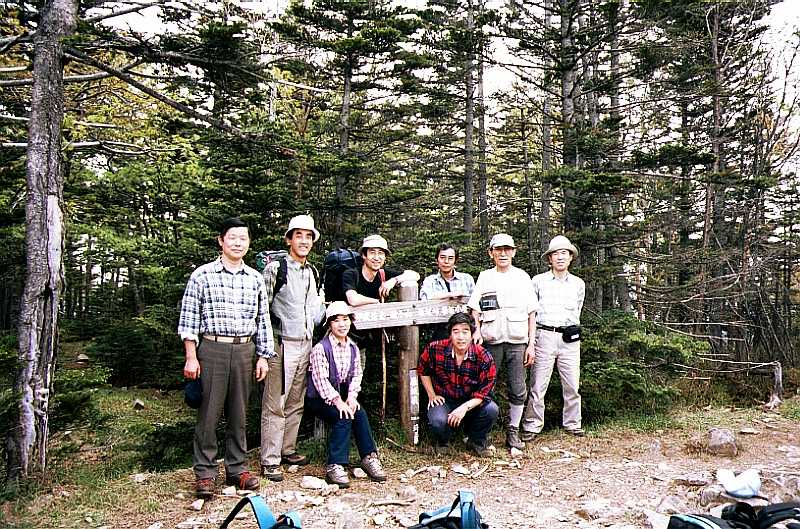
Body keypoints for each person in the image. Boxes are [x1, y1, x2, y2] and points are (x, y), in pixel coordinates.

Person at [178, 217, 274, 498]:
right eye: (232, 237)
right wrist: (191, 356)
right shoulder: (202, 275)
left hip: (244, 350)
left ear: (248, 242)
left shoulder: (255, 278)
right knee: (209, 413)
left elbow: (263, 320)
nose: (238, 243)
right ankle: (205, 473)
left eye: (243, 238)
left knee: (239, 413)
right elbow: (189, 319)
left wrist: (263, 356)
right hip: (212, 349)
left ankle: (237, 468)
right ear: (221, 240)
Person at [260, 215, 326, 482]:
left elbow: (314, 310)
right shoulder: (276, 269)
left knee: (296, 400)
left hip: (305, 343)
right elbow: (262, 309)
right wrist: (265, 347)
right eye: (299, 235)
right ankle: (270, 459)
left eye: (309, 236)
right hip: (282, 343)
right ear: (289, 239)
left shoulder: (312, 272)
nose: (304, 241)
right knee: (275, 402)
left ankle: (287, 449)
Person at [467, 233, 538, 451]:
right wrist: (476, 331)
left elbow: (532, 313)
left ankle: (513, 431)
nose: (503, 253)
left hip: (518, 342)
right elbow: (475, 308)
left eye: (507, 249)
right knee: (486, 387)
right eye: (498, 249)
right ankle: (483, 432)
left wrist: (531, 344)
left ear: (514, 252)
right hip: (491, 342)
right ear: (491, 253)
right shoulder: (485, 277)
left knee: (518, 388)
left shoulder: (522, 277)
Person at [306, 301, 387, 487]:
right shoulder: (321, 348)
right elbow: (320, 381)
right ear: (329, 324)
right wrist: (337, 401)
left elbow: (357, 374)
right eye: (336, 321)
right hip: (320, 397)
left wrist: (351, 397)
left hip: (343, 394)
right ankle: (335, 465)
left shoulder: (353, 347)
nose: (342, 325)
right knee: (343, 416)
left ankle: (369, 457)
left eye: (345, 319)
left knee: (359, 412)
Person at [521, 235, 586, 440]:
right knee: (538, 385)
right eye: (556, 254)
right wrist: (532, 340)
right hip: (544, 336)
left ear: (571, 257)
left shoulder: (578, 284)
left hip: (570, 339)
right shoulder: (538, 281)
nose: (560, 257)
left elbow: (578, 310)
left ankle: (573, 423)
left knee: (572, 384)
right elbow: (531, 312)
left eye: (564, 253)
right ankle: (532, 425)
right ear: (549, 258)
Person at [417, 312, 498, 456]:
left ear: (472, 334)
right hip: (445, 399)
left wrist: (464, 408)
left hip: (471, 401)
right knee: (437, 420)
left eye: (465, 331)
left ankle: (476, 441)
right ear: (450, 334)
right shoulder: (435, 349)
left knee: (491, 409)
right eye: (456, 332)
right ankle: (443, 442)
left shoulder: (483, 356)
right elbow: (422, 369)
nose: (461, 337)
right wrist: (431, 394)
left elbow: (484, 392)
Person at [342, 234, 420, 307]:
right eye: (372, 253)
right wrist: (377, 302)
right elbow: (353, 300)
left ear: (385, 257)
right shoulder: (351, 274)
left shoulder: (382, 274)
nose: (376, 258)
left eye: (380, 253)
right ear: (364, 255)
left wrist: (393, 280)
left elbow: (415, 275)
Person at [419, 243, 475, 342]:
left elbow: (475, 303)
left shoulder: (466, 279)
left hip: (463, 332)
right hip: (437, 331)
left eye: (450, 258)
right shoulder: (430, 280)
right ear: (437, 260)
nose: (446, 261)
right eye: (442, 257)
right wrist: (451, 294)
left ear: (455, 260)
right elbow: (425, 299)